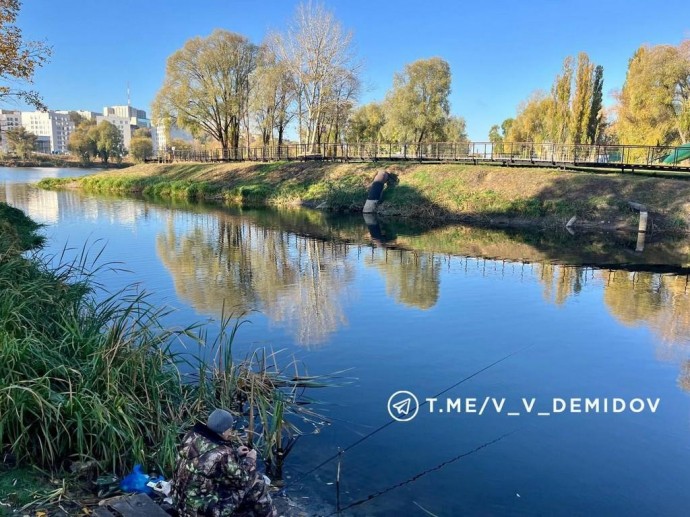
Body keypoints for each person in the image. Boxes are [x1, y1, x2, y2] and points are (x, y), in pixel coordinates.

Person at [171, 409, 276, 517]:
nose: (230, 433)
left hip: (179, 502)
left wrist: (235, 453)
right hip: (198, 512)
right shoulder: (223, 454)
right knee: (257, 481)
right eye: (230, 429)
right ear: (224, 431)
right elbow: (244, 481)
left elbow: (206, 459)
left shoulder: (191, 436)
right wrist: (250, 460)